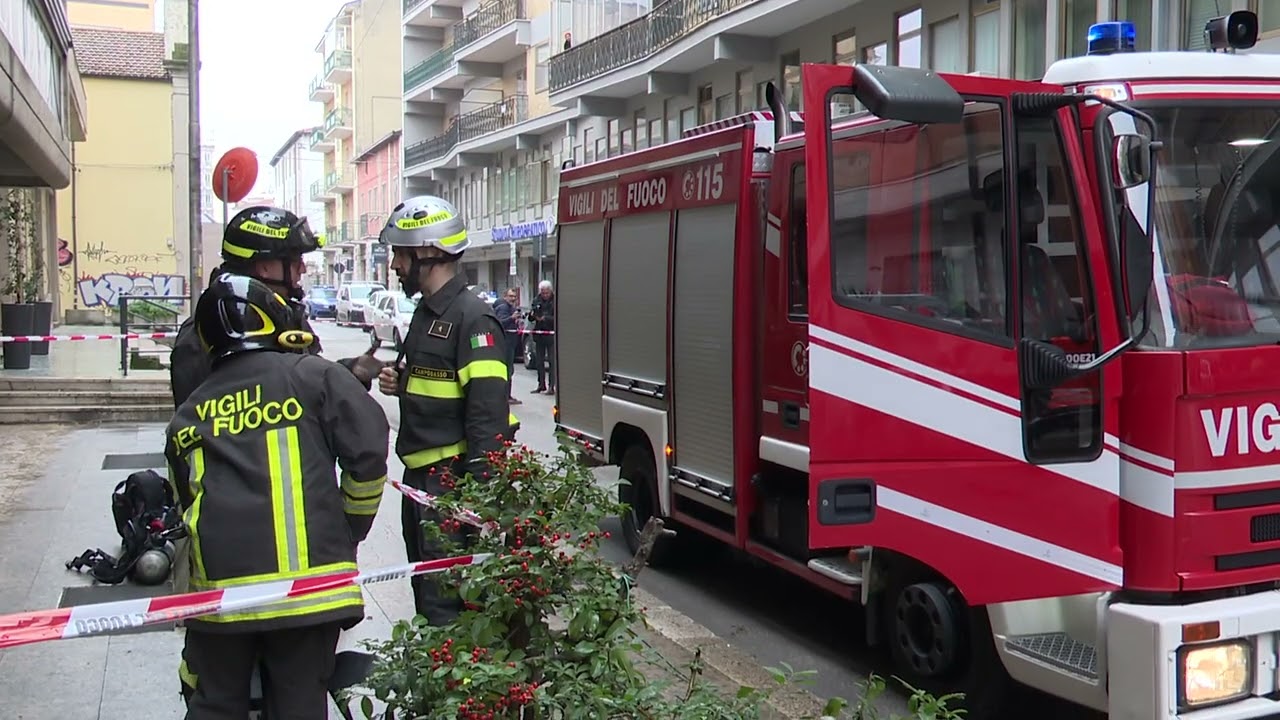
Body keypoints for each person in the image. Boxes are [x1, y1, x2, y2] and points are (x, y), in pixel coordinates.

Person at [166, 272, 390, 719]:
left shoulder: (189, 415)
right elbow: (368, 451)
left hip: (220, 600)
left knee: (216, 703)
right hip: (308, 594)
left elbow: (183, 501)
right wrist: (349, 527)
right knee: (298, 703)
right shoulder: (313, 376)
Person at [375, 195, 519, 625]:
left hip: (451, 486)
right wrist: (401, 385)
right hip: (421, 483)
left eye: (401, 254)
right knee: (427, 595)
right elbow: (440, 385)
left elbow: (487, 421)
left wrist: (477, 503)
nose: (395, 265)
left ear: (427, 252)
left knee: (448, 608)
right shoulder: (427, 312)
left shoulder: (475, 319)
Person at [169, 206, 384, 408]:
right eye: (294, 260)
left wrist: (349, 370)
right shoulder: (208, 333)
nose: (302, 269)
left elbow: (302, 375)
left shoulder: (281, 316)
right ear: (264, 267)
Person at [492, 288, 522, 406]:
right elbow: (500, 323)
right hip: (505, 343)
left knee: (509, 370)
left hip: (510, 342)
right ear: (505, 297)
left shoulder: (510, 307)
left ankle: (506, 395)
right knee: (507, 370)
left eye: (514, 296)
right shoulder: (503, 308)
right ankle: (505, 396)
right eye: (510, 296)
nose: (513, 299)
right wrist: (512, 318)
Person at [529, 280, 556, 395]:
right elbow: (531, 317)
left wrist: (546, 318)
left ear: (550, 291)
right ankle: (541, 384)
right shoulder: (536, 300)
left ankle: (551, 386)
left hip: (551, 334)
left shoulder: (555, 301)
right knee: (539, 361)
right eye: (543, 293)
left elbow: (558, 317)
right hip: (539, 334)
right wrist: (533, 316)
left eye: (547, 293)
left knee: (551, 361)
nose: (545, 295)